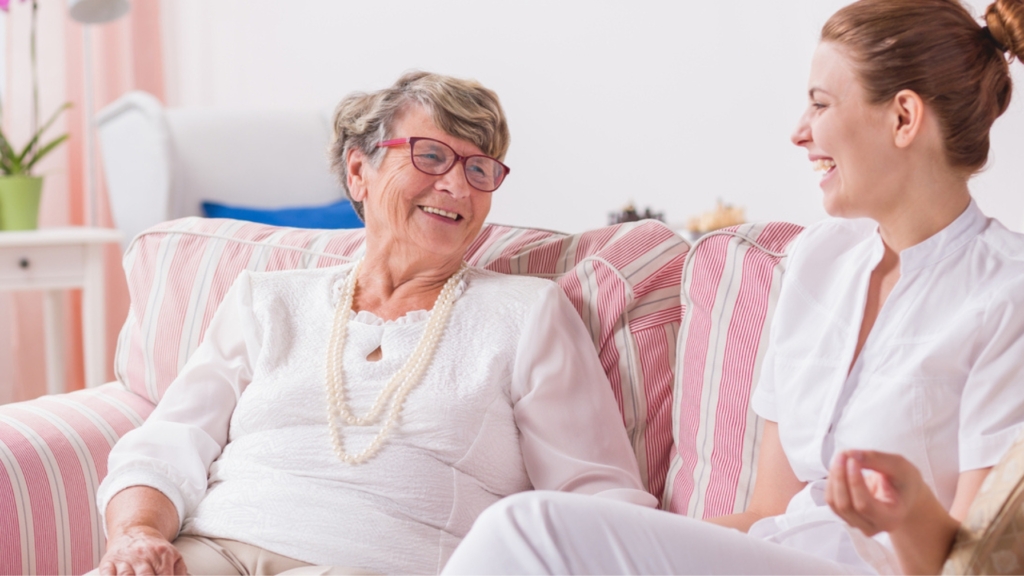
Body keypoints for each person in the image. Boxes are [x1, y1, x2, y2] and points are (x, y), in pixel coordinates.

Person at [442, 1, 1024, 574]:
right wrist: (633, 548)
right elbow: (769, 514)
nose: (800, 132)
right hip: (778, 556)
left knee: (528, 528)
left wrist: (907, 513)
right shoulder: (819, 260)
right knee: (540, 538)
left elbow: (979, 566)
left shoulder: (1007, 291)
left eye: (820, 104)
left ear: (903, 118)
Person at [94, 71, 656, 576]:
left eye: (479, 169)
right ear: (360, 170)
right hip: (210, 550)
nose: (457, 186)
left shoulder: (526, 313)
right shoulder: (267, 299)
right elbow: (168, 444)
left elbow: (593, 494)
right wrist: (136, 534)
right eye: (431, 156)